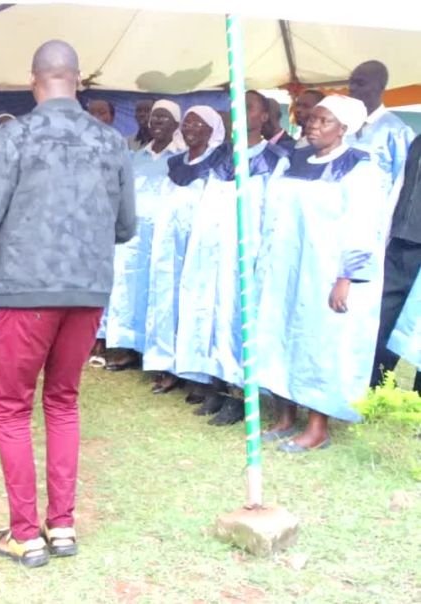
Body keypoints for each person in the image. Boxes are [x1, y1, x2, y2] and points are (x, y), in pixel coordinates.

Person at [0, 40, 135, 568]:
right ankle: (64, 526)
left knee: (11, 408)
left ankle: (26, 534)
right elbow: (127, 227)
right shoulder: (111, 141)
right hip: (88, 291)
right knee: (64, 402)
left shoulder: (14, 137)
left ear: (35, 80)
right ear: (78, 80)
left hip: (26, 292)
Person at [257, 95, 383, 452]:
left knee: (317, 342)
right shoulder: (292, 160)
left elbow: (364, 224)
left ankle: (317, 427)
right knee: (280, 334)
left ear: (344, 129)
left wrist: (346, 277)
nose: (313, 125)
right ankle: (285, 416)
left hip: (324, 271)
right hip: (285, 267)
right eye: (311, 119)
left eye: (323, 120)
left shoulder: (358, 166)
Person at [174, 91, 288, 425]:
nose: (239, 115)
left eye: (248, 109)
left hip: (246, 251)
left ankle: (240, 395)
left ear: (264, 116)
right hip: (212, 251)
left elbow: (272, 211)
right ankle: (217, 385)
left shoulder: (274, 158)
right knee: (212, 315)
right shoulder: (219, 155)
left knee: (238, 320)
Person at [143, 107, 229, 396]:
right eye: (188, 121)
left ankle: (197, 372)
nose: (191, 127)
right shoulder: (176, 162)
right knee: (167, 299)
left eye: (199, 123)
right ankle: (167, 365)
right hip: (170, 244)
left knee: (197, 304)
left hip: (201, 247)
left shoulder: (219, 161)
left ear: (212, 129)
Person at [102, 99, 185, 372]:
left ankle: (160, 355)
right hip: (135, 236)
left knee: (160, 291)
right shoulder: (136, 157)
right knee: (131, 290)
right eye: (155, 118)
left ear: (176, 124)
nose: (158, 122)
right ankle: (129, 350)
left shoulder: (182, 156)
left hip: (164, 237)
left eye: (164, 117)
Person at [371, 132, 421, 392]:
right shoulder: (418, 141)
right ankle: (376, 384)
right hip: (402, 242)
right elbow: (400, 187)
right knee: (384, 315)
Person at [348, 60, 416, 206]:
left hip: (377, 217)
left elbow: (404, 183)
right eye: (351, 82)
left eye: (360, 83)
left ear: (380, 88)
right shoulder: (342, 124)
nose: (352, 88)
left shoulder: (397, 131)